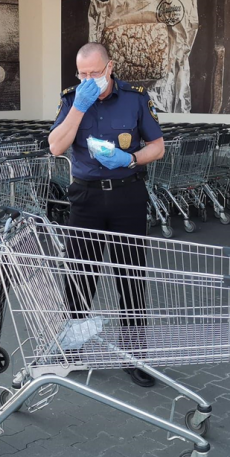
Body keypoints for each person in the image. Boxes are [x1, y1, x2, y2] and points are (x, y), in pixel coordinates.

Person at [48, 42, 165, 388]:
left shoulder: (135, 98)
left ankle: (135, 354)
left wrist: (130, 160)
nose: (87, 80)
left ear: (110, 68)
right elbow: (56, 146)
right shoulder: (72, 99)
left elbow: (157, 146)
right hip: (86, 197)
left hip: (128, 194)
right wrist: (78, 109)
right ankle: (73, 347)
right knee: (79, 276)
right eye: (81, 74)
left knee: (130, 276)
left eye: (94, 74)